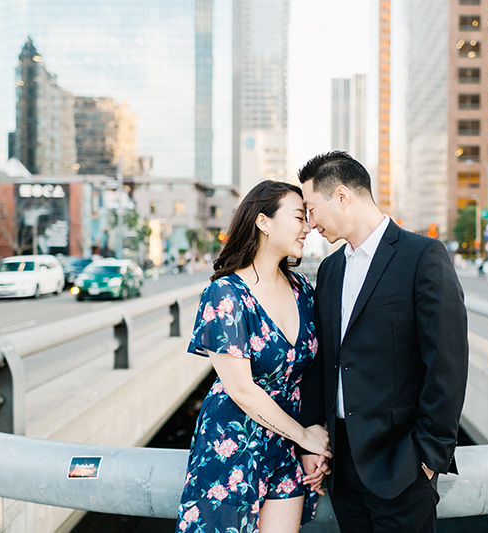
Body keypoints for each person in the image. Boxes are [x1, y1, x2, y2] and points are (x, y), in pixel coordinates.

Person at [298, 151, 469, 533]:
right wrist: (314, 440)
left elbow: (447, 363)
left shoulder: (422, 256)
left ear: (342, 196)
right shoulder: (330, 269)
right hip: (342, 470)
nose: (310, 224)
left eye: (311, 209)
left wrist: (427, 458)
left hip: (402, 466)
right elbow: (323, 361)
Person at [176, 180, 331, 533]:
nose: (307, 227)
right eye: (298, 217)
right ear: (263, 222)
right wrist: (304, 437)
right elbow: (241, 389)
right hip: (232, 442)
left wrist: (311, 436)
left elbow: (314, 372)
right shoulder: (226, 293)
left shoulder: (302, 289)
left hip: (287, 448)